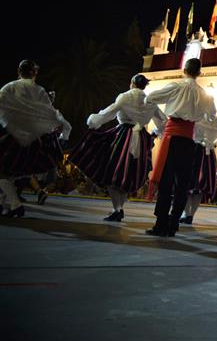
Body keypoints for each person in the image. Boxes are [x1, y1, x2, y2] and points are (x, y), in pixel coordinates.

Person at [68, 74, 166, 222]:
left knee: (113, 172)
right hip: (141, 139)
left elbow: (110, 112)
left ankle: (117, 209)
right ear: (144, 86)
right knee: (129, 175)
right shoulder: (150, 102)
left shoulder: (125, 97)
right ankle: (118, 209)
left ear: (132, 83)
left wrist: (93, 121)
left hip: (123, 136)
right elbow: (163, 121)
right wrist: (154, 133)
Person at [144, 58, 216, 237]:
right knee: (182, 184)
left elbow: (150, 98)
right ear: (200, 73)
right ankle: (174, 223)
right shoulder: (204, 94)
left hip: (172, 137)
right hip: (189, 140)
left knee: (166, 182)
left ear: (185, 70)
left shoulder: (176, 86)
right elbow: (211, 115)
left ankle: (161, 224)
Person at [0, 60, 70, 217]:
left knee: (4, 173)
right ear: (35, 73)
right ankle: (8, 205)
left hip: (14, 138)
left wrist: (8, 123)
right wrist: (61, 131)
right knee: (10, 174)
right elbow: (51, 114)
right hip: (33, 141)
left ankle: (15, 205)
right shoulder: (39, 91)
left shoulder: (9, 87)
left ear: (19, 70)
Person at [179, 115, 217, 225]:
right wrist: (214, 142)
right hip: (207, 153)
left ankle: (186, 214)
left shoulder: (197, 115)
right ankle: (190, 215)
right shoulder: (214, 120)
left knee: (188, 183)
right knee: (201, 186)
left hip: (194, 150)